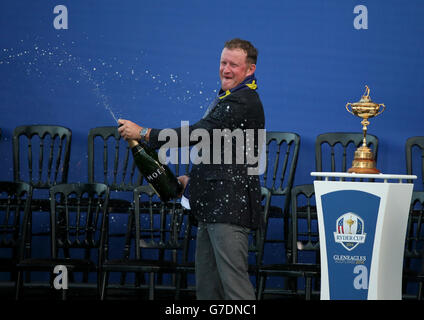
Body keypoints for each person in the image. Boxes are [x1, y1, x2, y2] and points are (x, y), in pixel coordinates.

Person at [118, 38, 265, 300]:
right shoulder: (228, 98)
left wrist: (143, 133)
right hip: (211, 208)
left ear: (250, 70)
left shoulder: (243, 100)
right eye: (223, 62)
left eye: (234, 64)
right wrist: (193, 180)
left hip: (229, 212)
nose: (226, 69)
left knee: (236, 292)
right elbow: (218, 150)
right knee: (208, 291)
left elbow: (199, 133)